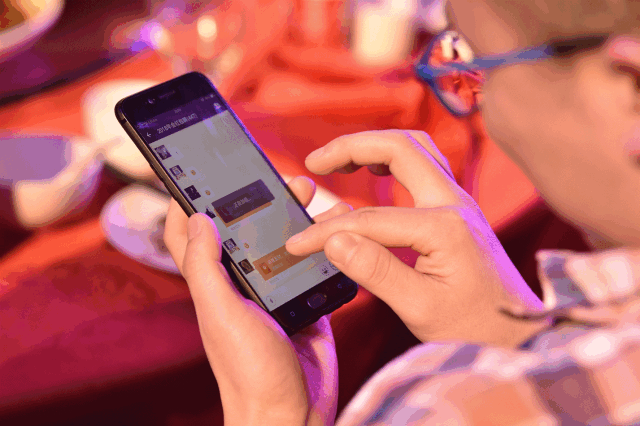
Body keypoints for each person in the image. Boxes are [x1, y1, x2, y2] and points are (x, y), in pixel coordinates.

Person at [164, 0, 640, 424]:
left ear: (631, 86)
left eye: (481, 66)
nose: (486, 113)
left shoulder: (451, 407)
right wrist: (508, 335)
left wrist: (274, 413)